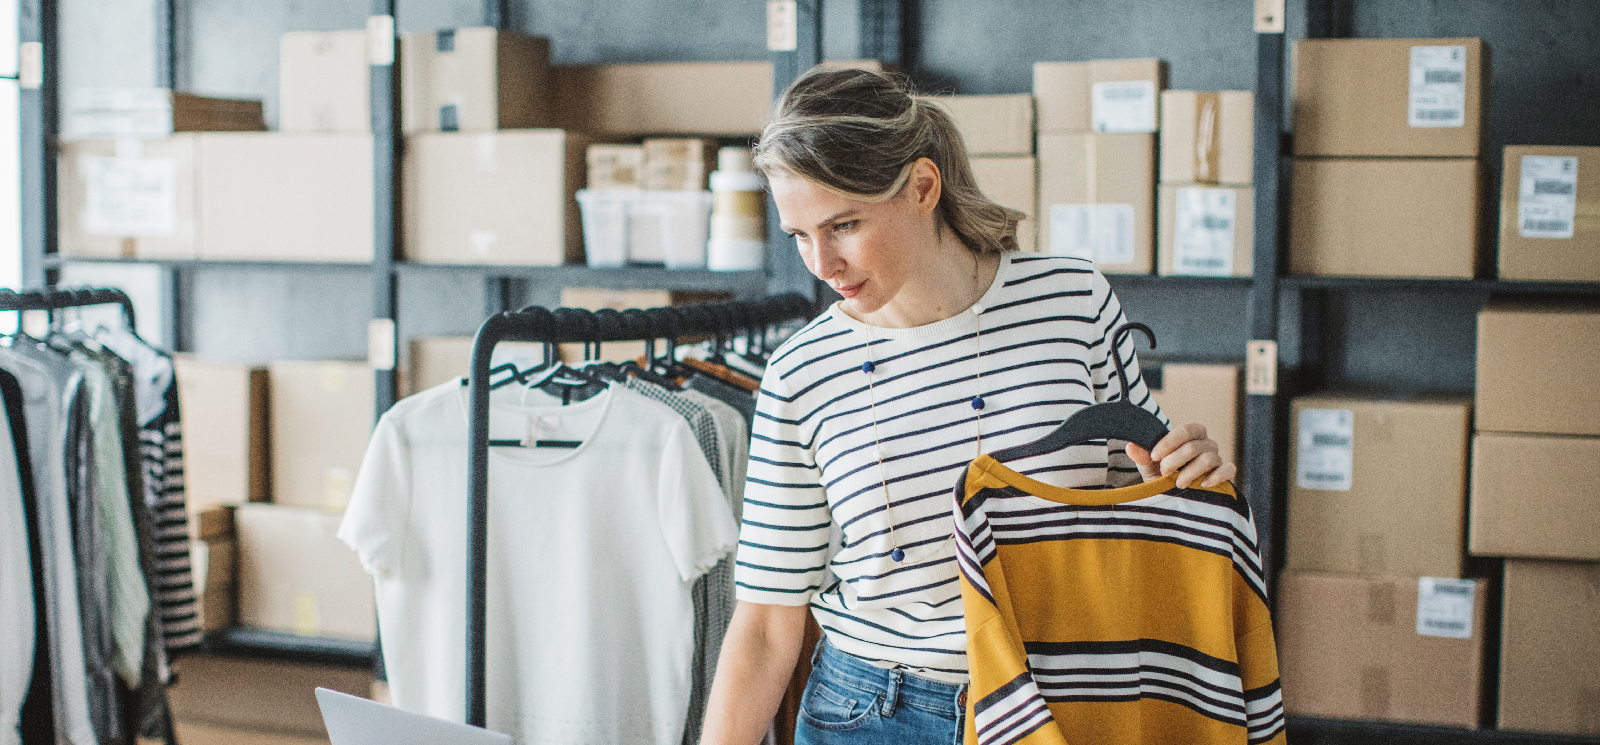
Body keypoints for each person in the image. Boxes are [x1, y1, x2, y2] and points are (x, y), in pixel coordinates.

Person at [699, 67, 1238, 745]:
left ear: (923, 186)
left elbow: (1142, 499)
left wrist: (1194, 474)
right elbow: (766, 621)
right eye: (799, 235)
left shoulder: (1072, 301)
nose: (823, 263)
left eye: (843, 224)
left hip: (1062, 697)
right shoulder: (801, 374)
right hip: (873, 711)